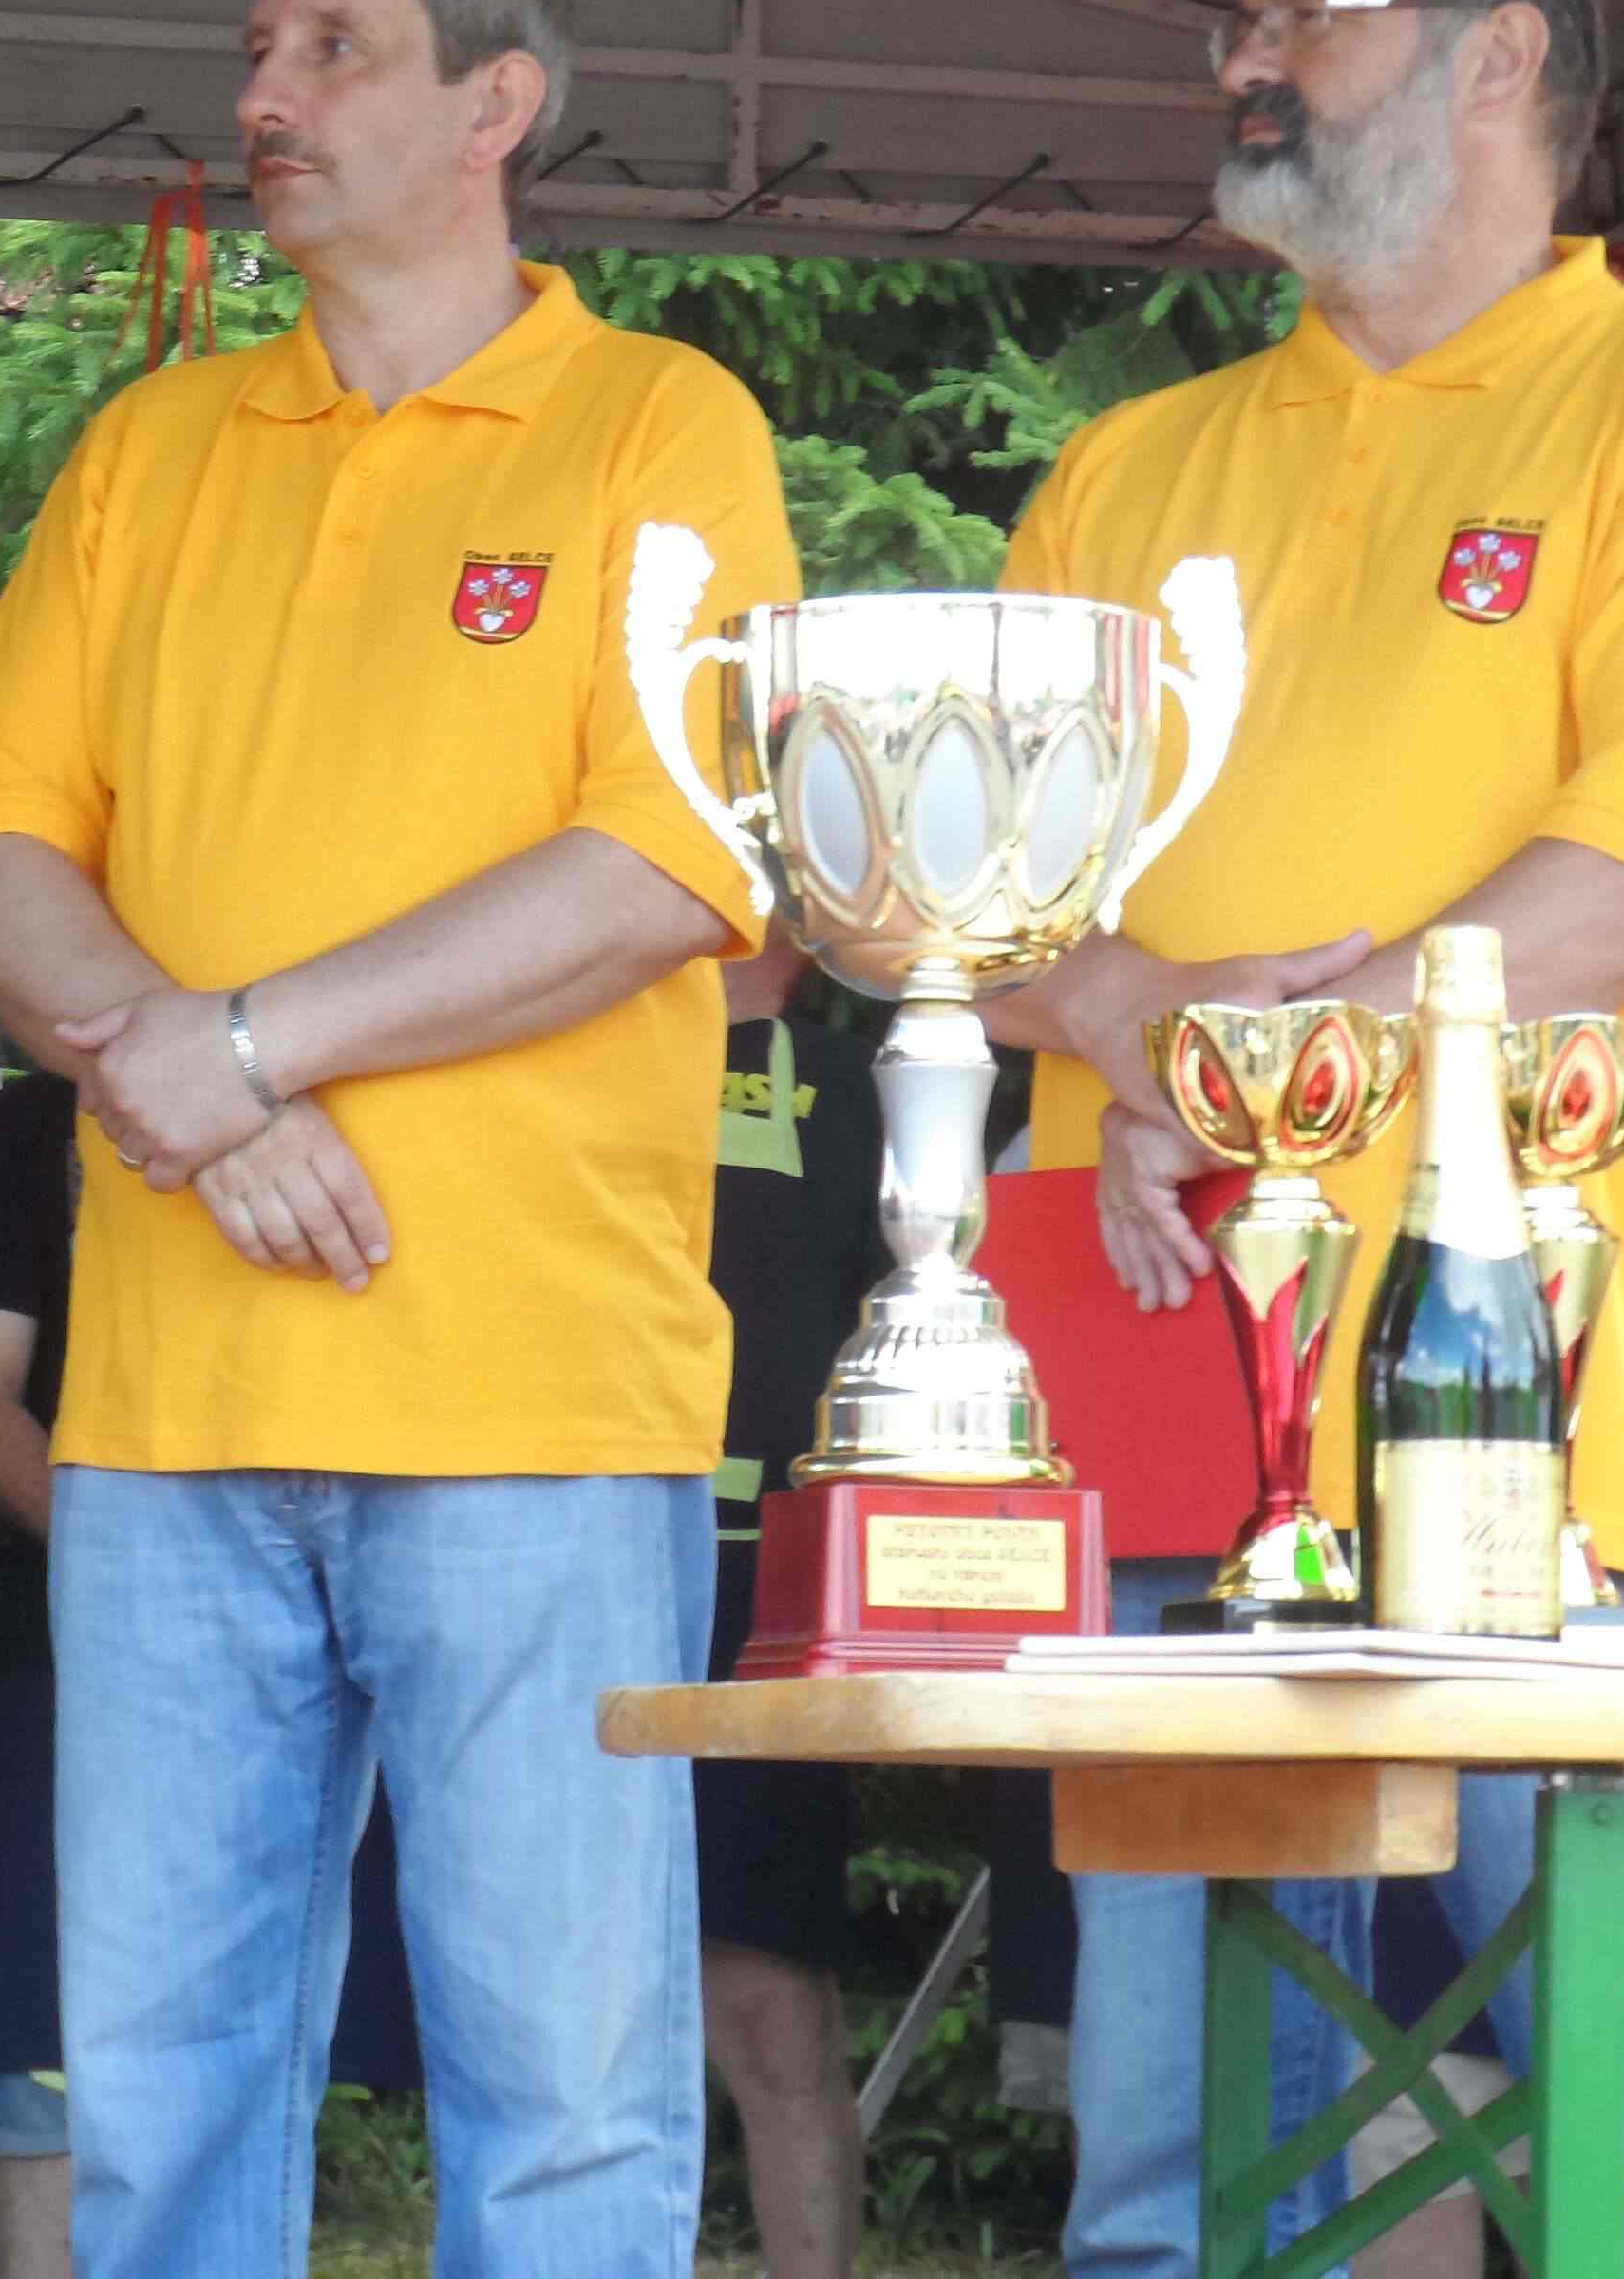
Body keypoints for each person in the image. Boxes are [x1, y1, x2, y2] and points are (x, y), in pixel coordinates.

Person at [982, 0, 1624, 2279]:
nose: (1244, 62)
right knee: (1171, 2185)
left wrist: (1241, 1070)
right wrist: (1122, 1011)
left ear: (1499, 60)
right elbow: (953, 900)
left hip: (1541, 1442)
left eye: (1307, 12)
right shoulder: (1127, 469)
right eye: (1242, 22)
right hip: (1163, 1400)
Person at [0, 0, 803, 2279]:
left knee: (562, 2102)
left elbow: (677, 854)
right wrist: (199, 1086)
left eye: (330, 48)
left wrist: (234, 1048)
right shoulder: (154, 445)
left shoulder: (659, 424)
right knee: (161, 2101)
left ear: (497, 102)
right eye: (258, 47)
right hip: (170, 1403)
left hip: (531, 1394)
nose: (262, 95)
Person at [0, 1069, 424, 2279]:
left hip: (366, 1627)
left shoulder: (395, 1101)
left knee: (290, 2038)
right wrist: (134, 1565)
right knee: (45, 2037)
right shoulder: (32, 1126)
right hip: (92, 1632)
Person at [698, 932, 884, 2279]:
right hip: (544, 1553)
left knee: (767, 1997)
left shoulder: (870, 1085)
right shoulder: (531, 1052)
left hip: (765, 1593)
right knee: (549, 1991)